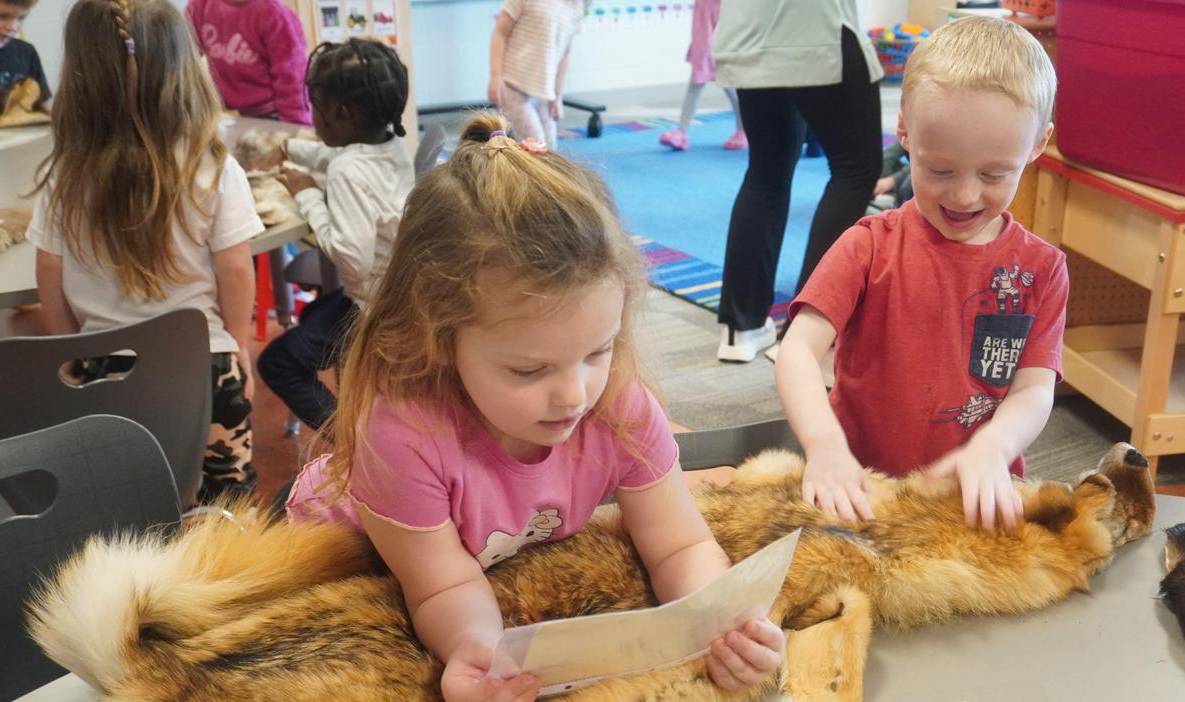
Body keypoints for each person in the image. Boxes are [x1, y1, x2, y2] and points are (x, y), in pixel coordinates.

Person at [286, 114, 785, 701]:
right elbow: (441, 588)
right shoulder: (402, 433)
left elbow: (680, 544)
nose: (575, 395)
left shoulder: (618, 402)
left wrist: (723, 625)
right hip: (344, 559)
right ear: (439, 339)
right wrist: (482, 656)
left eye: (598, 350)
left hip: (487, 557)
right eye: (530, 370)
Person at [774, 16, 1069, 531]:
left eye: (994, 174)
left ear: (1038, 144)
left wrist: (993, 448)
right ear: (904, 132)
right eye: (939, 170)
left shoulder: (1042, 270)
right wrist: (823, 445)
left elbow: (1033, 388)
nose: (964, 195)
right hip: (863, 492)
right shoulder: (868, 245)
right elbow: (797, 350)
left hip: (970, 500)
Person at [29, 0, 260, 502]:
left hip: (104, 372)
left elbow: (49, 271)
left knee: (122, 502)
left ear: (82, 77)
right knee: (229, 503)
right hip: (204, 363)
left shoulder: (64, 176)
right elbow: (237, 270)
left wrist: (69, 349)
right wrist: (238, 343)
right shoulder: (213, 166)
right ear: (183, 69)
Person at [711, 0, 884, 362]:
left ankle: (740, 328)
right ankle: (807, 331)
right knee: (856, 169)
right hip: (817, 29)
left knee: (766, 170)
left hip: (749, 32)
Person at [256, 39, 413, 432]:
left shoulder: (347, 173)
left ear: (340, 114)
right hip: (397, 296)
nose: (314, 119)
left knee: (278, 363)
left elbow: (353, 261)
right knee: (312, 315)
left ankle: (352, 443)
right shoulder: (391, 144)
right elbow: (339, 157)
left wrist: (306, 193)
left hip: (371, 309)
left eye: (316, 111)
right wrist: (291, 149)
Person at [184, 0, 312, 124]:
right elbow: (181, 59)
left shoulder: (274, 13)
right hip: (228, 114)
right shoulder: (199, 7)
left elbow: (293, 75)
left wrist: (296, 125)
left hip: (273, 113)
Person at [488, 0, 583, 151]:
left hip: (543, 93)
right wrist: (495, 76)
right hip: (513, 88)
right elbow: (500, 33)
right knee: (536, 150)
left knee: (551, 151)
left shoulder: (575, 6)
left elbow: (565, 53)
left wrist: (557, 96)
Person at [657, 0, 745, 152]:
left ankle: (742, 130)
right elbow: (701, 27)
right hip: (703, 49)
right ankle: (681, 132)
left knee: (732, 91)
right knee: (696, 87)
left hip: (721, 50)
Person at [0, 0, 49, 110]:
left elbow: (44, 102)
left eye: (21, 18)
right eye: (2, 16)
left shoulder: (27, 52)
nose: (12, 27)